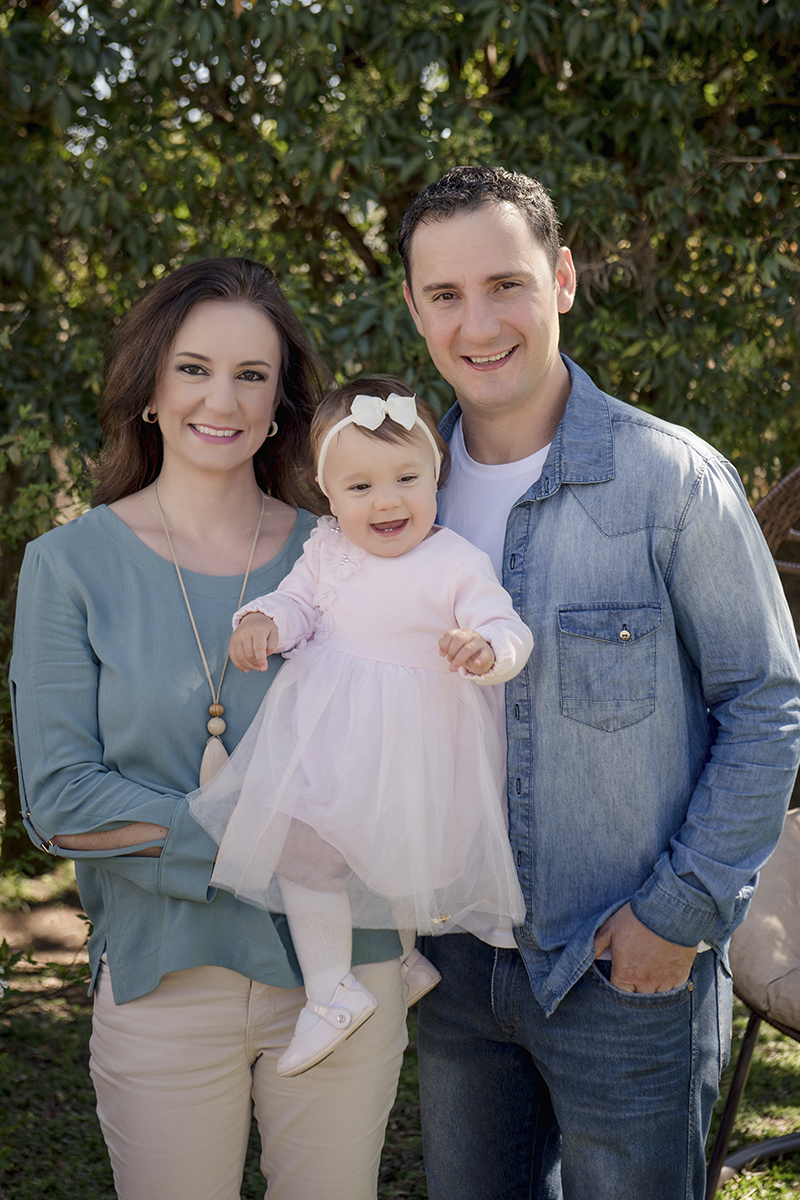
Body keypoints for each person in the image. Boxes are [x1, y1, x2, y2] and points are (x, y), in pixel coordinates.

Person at [396, 165, 800, 1200]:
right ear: (412, 306)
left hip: (623, 969)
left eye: (506, 285)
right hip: (450, 967)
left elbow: (764, 703)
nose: (476, 323)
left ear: (562, 280)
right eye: (444, 295)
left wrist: (680, 911)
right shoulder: (401, 501)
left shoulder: (667, 481)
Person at [9, 259, 410, 1200]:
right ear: (149, 387)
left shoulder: (345, 554)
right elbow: (59, 804)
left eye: (251, 374)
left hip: (346, 976)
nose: (219, 399)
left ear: (282, 405)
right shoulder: (67, 567)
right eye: (193, 368)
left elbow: (410, 739)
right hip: (163, 980)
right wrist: (251, 830)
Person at [188, 375, 532, 1078]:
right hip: (328, 744)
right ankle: (374, 974)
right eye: (360, 487)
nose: (386, 501)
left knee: (361, 858)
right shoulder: (327, 551)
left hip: (410, 754)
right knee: (313, 852)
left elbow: (508, 629)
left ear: (437, 476)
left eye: (408, 477)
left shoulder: (454, 562)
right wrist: (264, 622)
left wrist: (487, 649)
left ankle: (337, 990)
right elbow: (297, 604)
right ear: (327, 493)